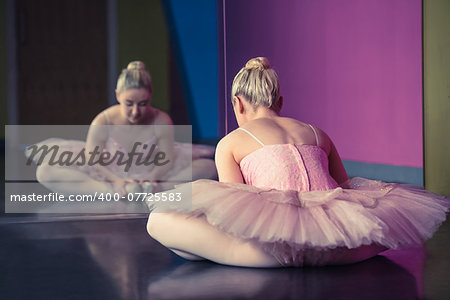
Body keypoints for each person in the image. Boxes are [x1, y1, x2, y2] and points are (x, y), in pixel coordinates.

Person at [146, 57, 449, 267]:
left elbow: (231, 211)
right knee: (381, 223)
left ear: (237, 104)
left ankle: (225, 256)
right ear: (280, 102)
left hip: (279, 253)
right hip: (340, 246)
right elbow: (345, 186)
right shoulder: (317, 133)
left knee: (158, 221)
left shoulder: (231, 142)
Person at [27, 61, 217, 202]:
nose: (136, 112)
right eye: (129, 104)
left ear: (150, 97)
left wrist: (153, 177)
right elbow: (93, 160)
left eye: (143, 104)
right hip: (110, 172)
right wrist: (116, 181)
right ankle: (113, 194)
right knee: (45, 171)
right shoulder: (104, 120)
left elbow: (167, 158)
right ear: (117, 96)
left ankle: (157, 191)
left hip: (152, 173)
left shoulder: (161, 120)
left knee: (209, 167)